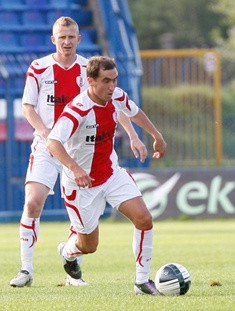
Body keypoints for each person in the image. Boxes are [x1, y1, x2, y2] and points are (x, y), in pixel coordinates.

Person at [9, 16, 148, 288]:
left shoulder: (90, 69)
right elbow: (28, 106)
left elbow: (112, 101)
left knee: (86, 219)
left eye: (71, 36)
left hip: (84, 150)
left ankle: (73, 267)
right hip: (49, 146)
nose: (67, 41)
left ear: (79, 39)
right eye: (62, 37)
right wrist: (46, 133)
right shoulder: (38, 68)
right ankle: (26, 269)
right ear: (53, 39)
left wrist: (133, 135)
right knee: (33, 202)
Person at [46, 55, 166, 295]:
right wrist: (75, 168)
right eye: (105, 81)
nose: (112, 86)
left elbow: (134, 112)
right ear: (90, 81)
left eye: (114, 80)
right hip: (81, 185)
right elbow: (53, 142)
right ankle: (68, 252)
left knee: (144, 219)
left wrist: (157, 136)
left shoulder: (117, 96)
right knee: (89, 246)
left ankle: (142, 282)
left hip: (111, 174)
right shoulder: (78, 109)